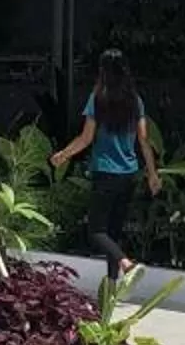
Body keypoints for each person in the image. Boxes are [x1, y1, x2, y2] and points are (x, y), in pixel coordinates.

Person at [51, 49, 159, 280]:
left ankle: (126, 263)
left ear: (102, 72)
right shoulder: (135, 101)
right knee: (113, 233)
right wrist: (152, 174)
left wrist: (64, 154)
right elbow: (144, 140)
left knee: (97, 231)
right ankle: (111, 287)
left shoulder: (98, 99)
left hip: (105, 172)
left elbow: (86, 138)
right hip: (129, 174)